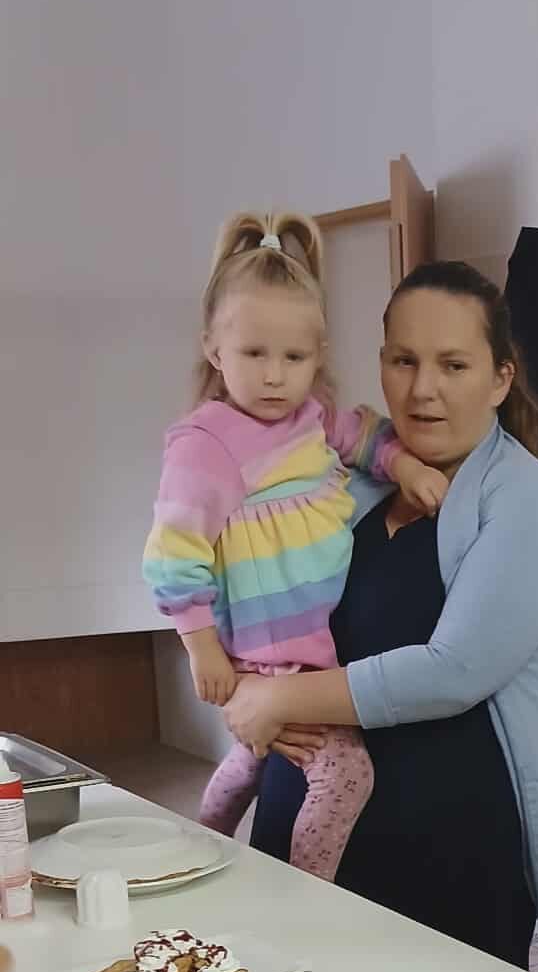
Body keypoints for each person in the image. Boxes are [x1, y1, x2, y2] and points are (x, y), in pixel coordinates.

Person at [223, 259, 538, 970]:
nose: (423, 389)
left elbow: (454, 670)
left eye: (454, 365)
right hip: (302, 818)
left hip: (448, 854)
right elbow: (254, 578)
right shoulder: (342, 477)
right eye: (404, 360)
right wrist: (232, 675)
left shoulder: (531, 503)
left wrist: (277, 698)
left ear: (501, 378)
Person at [143, 211, 444, 880]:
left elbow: (364, 436)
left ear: (318, 356)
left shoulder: (311, 418)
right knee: (346, 776)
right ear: (214, 349)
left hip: (305, 648)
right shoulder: (207, 444)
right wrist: (201, 648)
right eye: (255, 354)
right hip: (269, 659)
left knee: (253, 759)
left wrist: (406, 467)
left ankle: (199, 842)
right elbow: (172, 553)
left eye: (294, 358)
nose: (275, 376)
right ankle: (311, 895)